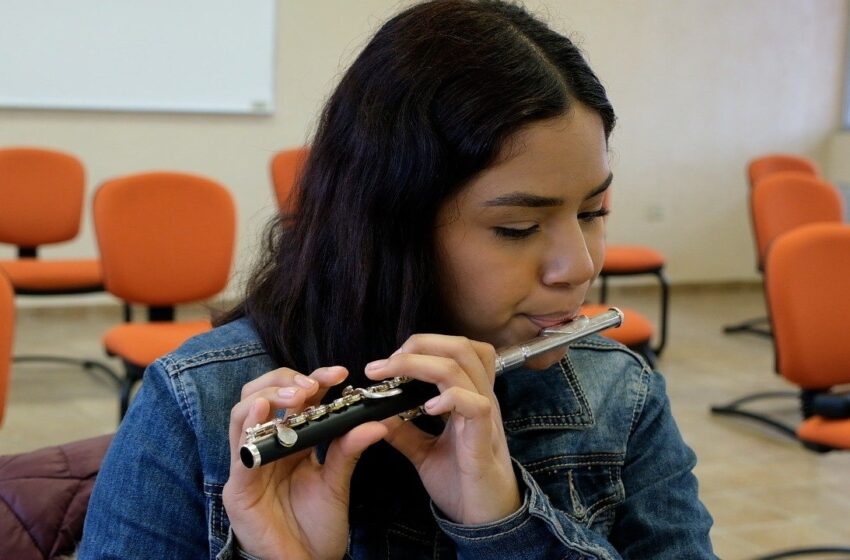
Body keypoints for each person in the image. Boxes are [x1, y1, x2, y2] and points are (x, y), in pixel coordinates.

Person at [79, 1, 715, 558]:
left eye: (593, 212)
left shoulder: (620, 394)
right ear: (390, 226)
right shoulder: (200, 400)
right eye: (518, 228)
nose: (579, 266)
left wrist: (506, 526)